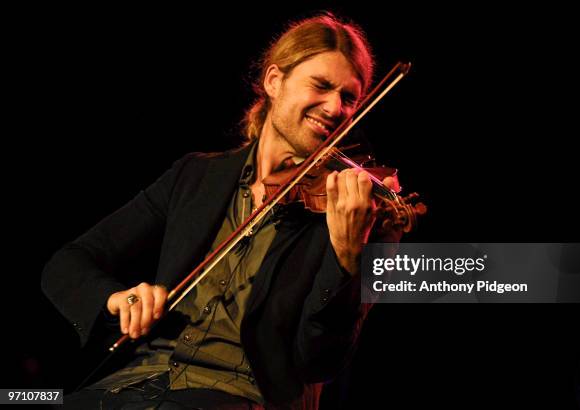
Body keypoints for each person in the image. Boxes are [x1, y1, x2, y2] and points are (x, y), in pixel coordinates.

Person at [42, 12, 403, 409]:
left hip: (240, 396)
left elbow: (320, 360)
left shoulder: (362, 213)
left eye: (349, 98)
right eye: (321, 86)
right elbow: (67, 263)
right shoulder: (197, 175)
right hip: (134, 384)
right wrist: (117, 299)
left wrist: (348, 256)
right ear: (274, 82)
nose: (336, 108)